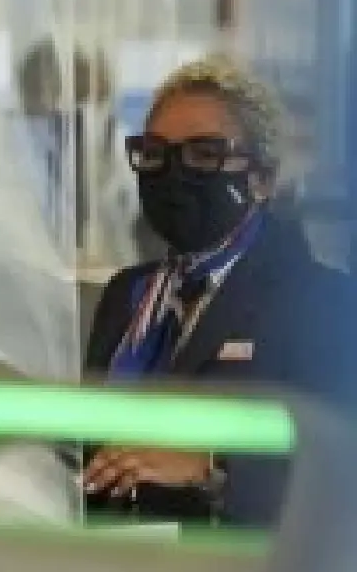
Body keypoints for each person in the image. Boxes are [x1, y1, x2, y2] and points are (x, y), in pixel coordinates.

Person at [82, 54, 352, 526]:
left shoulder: (319, 301)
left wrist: (211, 467)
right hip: (123, 567)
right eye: (155, 153)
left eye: (205, 155)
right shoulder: (128, 295)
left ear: (261, 180)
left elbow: (338, 462)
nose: (173, 173)